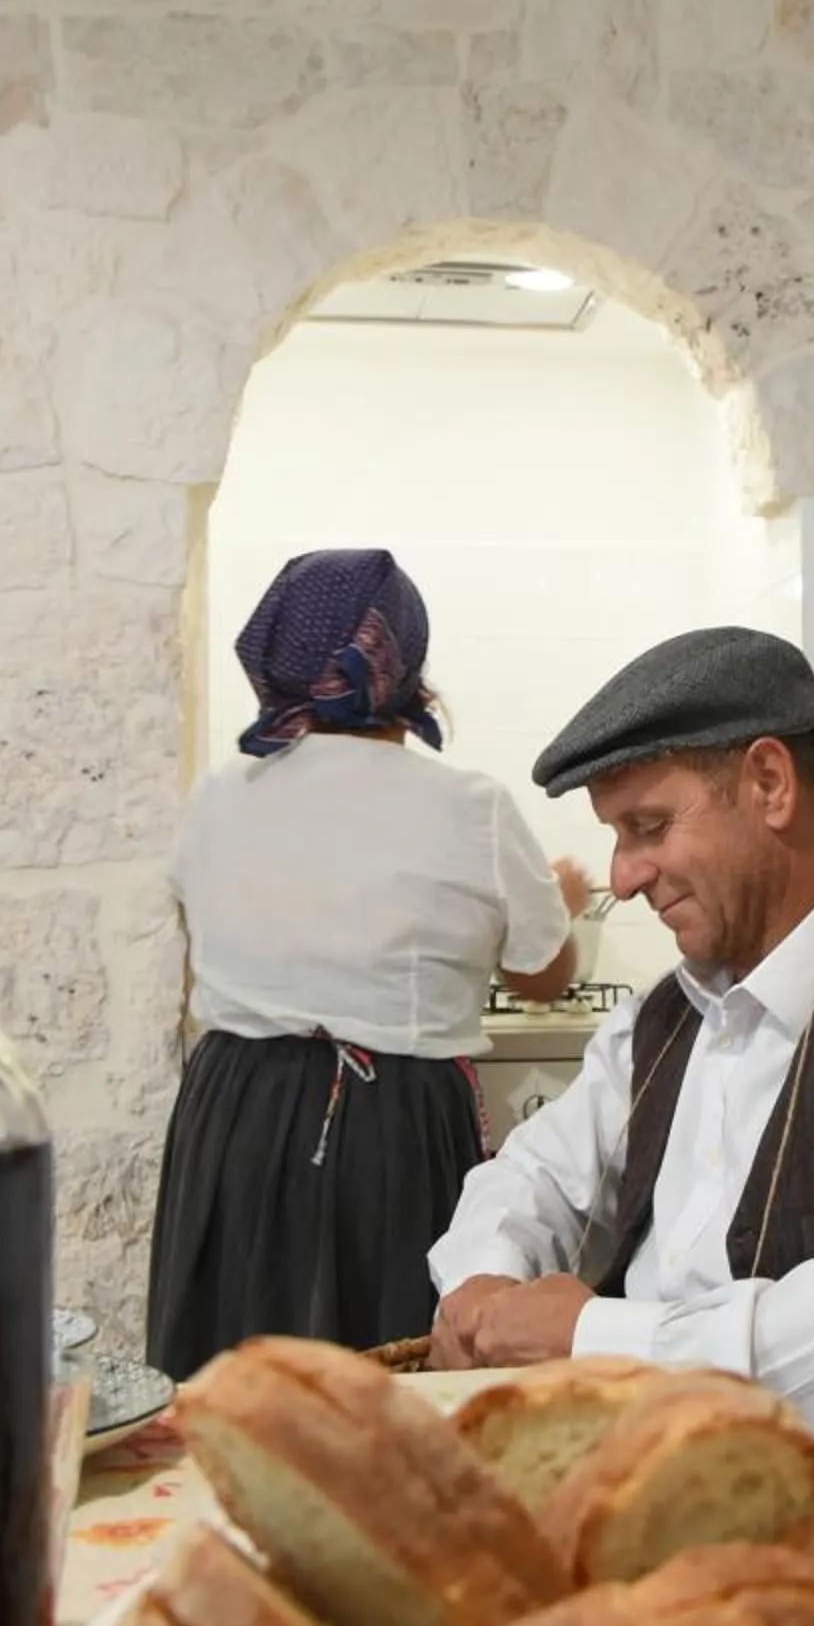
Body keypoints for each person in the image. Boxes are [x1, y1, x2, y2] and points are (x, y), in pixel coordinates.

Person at [427, 625, 814, 1454]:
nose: (621, 876)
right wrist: (483, 1286)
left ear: (770, 784)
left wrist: (602, 1342)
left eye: (647, 826)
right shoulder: (660, 1023)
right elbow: (533, 1176)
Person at [146, 547, 586, 1375]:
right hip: (394, 1121)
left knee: (233, 1357)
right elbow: (541, 974)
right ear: (404, 663)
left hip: (234, 1105)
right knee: (389, 1377)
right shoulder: (468, 807)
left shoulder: (218, 797)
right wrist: (560, 899)